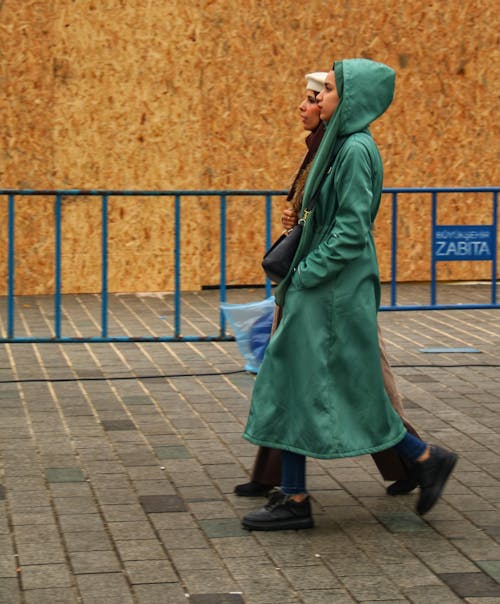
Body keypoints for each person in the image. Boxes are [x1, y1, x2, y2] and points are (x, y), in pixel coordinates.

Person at [241, 58, 457, 531]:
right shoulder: (343, 145)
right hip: (323, 288)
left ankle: (415, 459)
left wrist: (305, 274)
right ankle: (303, 491)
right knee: (303, 383)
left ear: (353, 98)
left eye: (331, 90)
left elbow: (351, 229)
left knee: (334, 386)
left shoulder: (357, 150)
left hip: (331, 290)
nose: (320, 97)